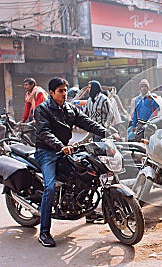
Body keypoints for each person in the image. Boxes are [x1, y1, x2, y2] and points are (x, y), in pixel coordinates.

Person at [34, 77, 110, 247]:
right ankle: (44, 232)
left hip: (64, 150)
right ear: (51, 93)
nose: (64, 93)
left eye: (65, 89)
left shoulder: (69, 109)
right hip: (46, 152)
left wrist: (107, 132)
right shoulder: (42, 109)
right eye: (61, 90)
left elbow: (87, 122)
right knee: (50, 187)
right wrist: (60, 146)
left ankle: (88, 212)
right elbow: (44, 131)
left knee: (86, 172)